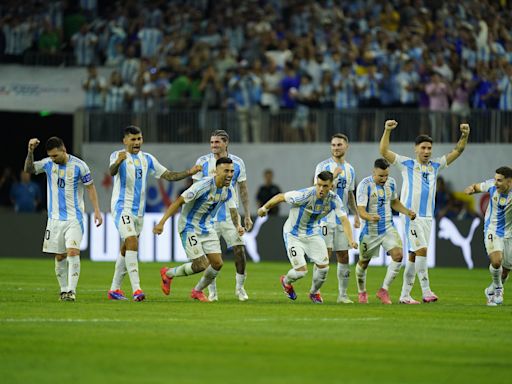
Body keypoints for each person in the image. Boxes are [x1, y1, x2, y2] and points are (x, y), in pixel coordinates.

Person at [380, 119, 470, 303]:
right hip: (411, 216)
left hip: (428, 217)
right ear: (416, 149)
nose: (427, 151)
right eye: (423, 148)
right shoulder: (406, 164)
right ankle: (426, 291)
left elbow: (458, 151)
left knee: (413, 255)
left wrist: (465, 135)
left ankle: (405, 295)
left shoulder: (436, 166)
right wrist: (387, 130)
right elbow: (383, 151)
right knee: (421, 250)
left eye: (429, 148)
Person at [108, 125, 201, 302]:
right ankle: (137, 290)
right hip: (122, 207)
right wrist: (119, 161)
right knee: (131, 241)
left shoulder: (147, 159)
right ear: (125, 141)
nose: (137, 142)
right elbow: (111, 172)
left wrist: (189, 172)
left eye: (139, 139)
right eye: (133, 139)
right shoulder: (117, 155)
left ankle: (114, 289)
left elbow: (168, 175)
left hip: (139, 211)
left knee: (126, 247)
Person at [257, 171, 357, 304]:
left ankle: (314, 293)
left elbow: (344, 220)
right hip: (293, 234)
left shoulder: (334, 200)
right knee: (301, 272)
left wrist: (351, 240)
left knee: (324, 268)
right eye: (319, 185)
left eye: (325, 186)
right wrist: (264, 208)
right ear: (316, 183)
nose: (321, 189)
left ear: (331, 186)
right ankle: (286, 282)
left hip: (312, 233)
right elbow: (281, 197)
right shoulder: (304, 195)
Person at [154, 157, 245, 302]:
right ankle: (168, 273)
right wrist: (162, 223)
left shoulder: (229, 189)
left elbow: (233, 210)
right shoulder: (203, 185)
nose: (229, 174)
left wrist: (238, 225)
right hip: (189, 226)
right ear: (216, 171)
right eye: (226, 171)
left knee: (217, 263)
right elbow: (178, 201)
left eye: (232, 171)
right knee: (201, 265)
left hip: (206, 226)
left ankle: (197, 291)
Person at [24, 137, 103, 301]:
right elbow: (29, 169)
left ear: (64, 149)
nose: (53, 159)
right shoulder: (48, 164)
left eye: (55, 156)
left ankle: (72, 292)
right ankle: (63, 290)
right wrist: (30, 151)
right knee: (60, 256)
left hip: (74, 218)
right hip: (54, 220)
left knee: (73, 252)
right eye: (51, 156)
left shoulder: (80, 166)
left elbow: (90, 188)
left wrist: (96, 210)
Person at [192, 130, 253, 302]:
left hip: (230, 215)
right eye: (211, 142)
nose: (213, 146)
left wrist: (247, 215)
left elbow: (243, 190)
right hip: (207, 216)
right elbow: (195, 189)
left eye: (217, 142)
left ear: (226, 143)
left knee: (239, 250)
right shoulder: (202, 162)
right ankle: (212, 291)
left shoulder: (238, 163)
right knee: (212, 256)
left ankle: (240, 288)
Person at [356, 159, 417, 304]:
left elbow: (394, 202)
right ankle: (362, 292)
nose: (384, 179)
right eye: (380, 176)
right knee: (363, 263)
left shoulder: (391, 183)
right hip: (370, 231)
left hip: (388, 227)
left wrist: (407, 212)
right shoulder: (364, 186)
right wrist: (370, 217)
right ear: (373, 172)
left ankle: (383, 290)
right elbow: (361, 211)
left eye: (386, 176)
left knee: (398, 256)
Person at [314, 133, 360, 304]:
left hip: (342, 217)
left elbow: (350, 194)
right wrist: (333, 175)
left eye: (339, 145)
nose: (336, 148)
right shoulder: (323, 166)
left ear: (346, 146)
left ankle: (343, 295)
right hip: (325, 217)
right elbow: (317, 190)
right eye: (333, 145)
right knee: (324, 256)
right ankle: (316, 291)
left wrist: (355, 214)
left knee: (343, 255)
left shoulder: (351, 169)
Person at [464, 166, 512, 306]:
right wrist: (471, 189)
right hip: (492, 230)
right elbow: (477, 187)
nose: (496, 183)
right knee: (497, 262)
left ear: (509, 182)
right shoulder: (491, 185)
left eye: (499, 180)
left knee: (505, 271)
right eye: (495, 179)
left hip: (509, 234)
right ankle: (498, 289)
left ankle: (490, 290)